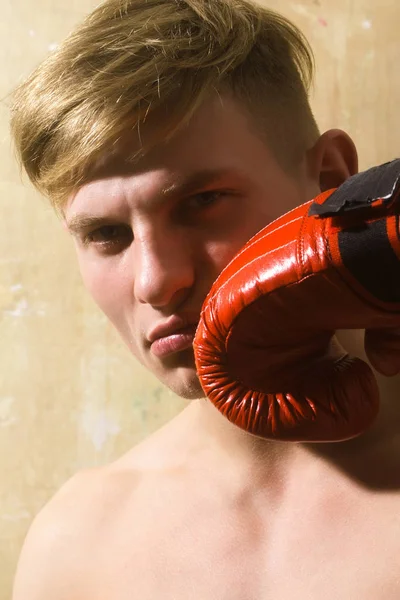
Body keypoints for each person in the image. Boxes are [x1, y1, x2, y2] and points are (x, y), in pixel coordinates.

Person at [9, 0, 400, 598]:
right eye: (105, 234)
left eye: (202, 202)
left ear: (330, 182)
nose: (155, 281)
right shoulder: (77, 544)